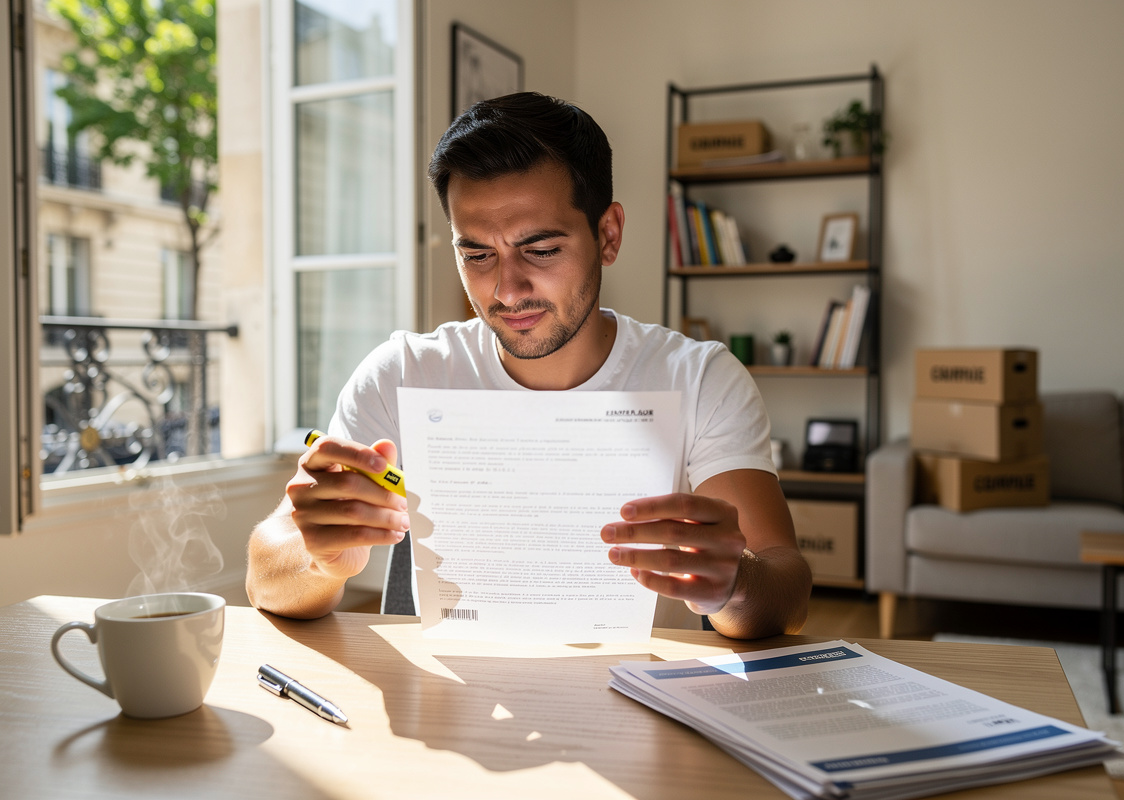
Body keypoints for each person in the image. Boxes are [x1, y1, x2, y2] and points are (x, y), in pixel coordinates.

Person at [247, 92, 811, 639]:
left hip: (641, 706)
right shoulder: (404, 373)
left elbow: (785, 596)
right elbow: (265, 583)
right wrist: (317, 558)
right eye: (477, 255)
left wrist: (735, 584)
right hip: (451, 710)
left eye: (540, 251)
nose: (507, 290)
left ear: (608, 234)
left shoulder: (699, 377)